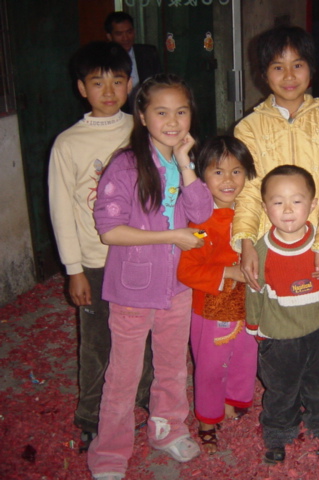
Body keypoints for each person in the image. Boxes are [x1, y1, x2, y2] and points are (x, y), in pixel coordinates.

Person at [87, 74, 213, 480]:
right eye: (161, 112)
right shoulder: (125, 166)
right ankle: (109, 453)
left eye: (181, 111)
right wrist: (172, 235)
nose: (173, 120)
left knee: (174, 365)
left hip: (177, 286)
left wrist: (186, 164)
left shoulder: (181, 163)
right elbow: (110, 231)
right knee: (123, 375)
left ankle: (167, 428)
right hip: (132, 289)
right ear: (142, 116)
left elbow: (204, 212)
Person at [48, 41, 153, 452]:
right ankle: (90, 413)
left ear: (130, 84)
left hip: (141, 256)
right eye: (97, 82)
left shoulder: (141, 130)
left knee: (142, 333)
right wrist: (74, 268)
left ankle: (141, 397)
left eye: (117, 81)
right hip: (95, 261)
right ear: (81, 88)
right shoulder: (67, 144)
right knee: (97, 341)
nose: (108, 91)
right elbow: (60, 210)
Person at [245, 165, 319, 465]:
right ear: (266, 207)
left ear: (313, 204)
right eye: (278, 202)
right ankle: (279, 433)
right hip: (278, 338)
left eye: (297, 200)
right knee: (281, 390)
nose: (288, 210)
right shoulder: (260, 251)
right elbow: (253, 292)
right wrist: (255, 329)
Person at [231, 25, 319, 293]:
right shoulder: (248, 129)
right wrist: (247, 244)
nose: (289, 76)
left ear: (311, 70)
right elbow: (248, 192)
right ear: (263, 74)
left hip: (317, 243)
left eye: (298, 65)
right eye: (277, 67)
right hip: (268, 244)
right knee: (273, 320)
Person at [176, 136, 258, 454]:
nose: (228, 180)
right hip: (210, 308)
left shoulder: (252, 215)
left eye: (236, 172)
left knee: (245, 355)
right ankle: (207, 418)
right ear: (202, 176)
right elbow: (186, 271)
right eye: (218, 172)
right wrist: (228, 273)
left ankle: (235, 400)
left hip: (246, 304)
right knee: (210, 365)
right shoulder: (199, 222)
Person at [105, 11, 162, 111]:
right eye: (119, 34)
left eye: (129, 32)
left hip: (148, 108)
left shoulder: (148, 53)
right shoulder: (104, 59)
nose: (126, 38)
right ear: (109, 36)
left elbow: (159, 84)